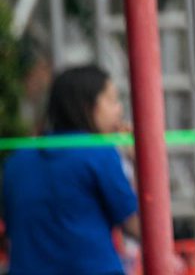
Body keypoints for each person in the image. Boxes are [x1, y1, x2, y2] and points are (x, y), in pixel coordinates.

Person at [2, 65, 139, 275]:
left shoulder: (16, 160)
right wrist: (139, 162)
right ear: (87, 106)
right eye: (112, 100)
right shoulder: (99, 151)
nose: (119, 110)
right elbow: (138, 227)